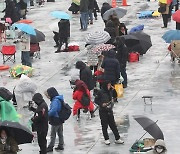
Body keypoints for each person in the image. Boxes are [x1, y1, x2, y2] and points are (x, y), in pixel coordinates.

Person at [45, 87, 64, 152]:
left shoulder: (55, 101)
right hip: (60, 118)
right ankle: (61, 145)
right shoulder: (59, 99)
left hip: (55, 119)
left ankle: (50, 147)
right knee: (60, 133)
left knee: (53, 134)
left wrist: (47, 114)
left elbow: (53, 110)